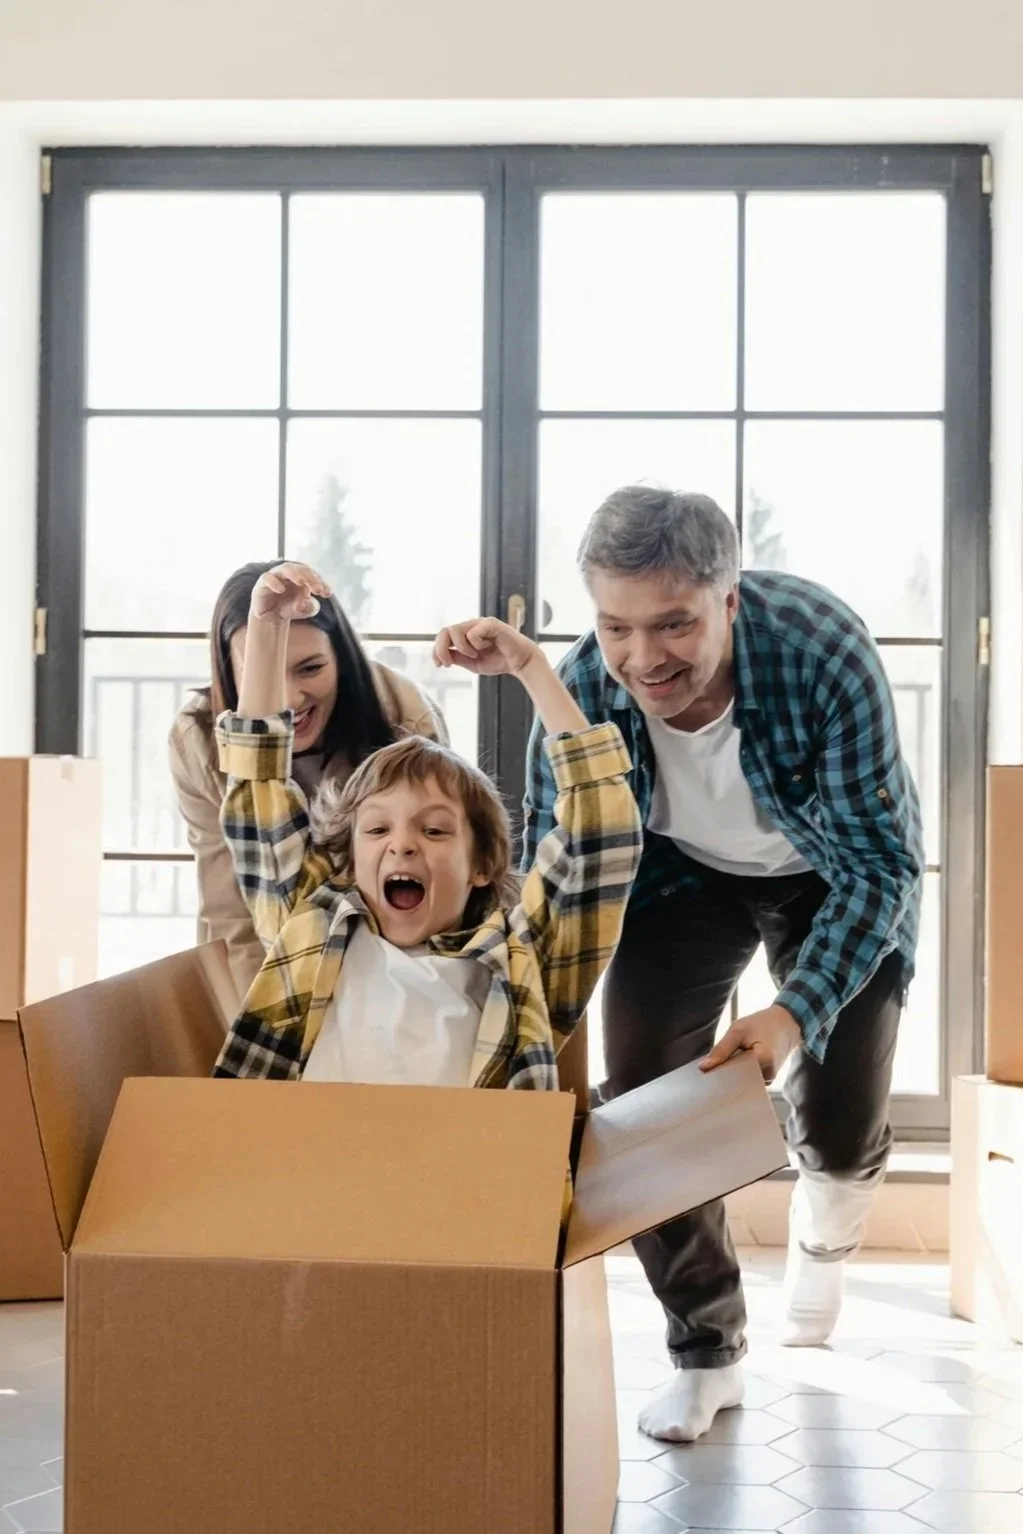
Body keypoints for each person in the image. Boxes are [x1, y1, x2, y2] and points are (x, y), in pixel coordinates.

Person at [523, 487, 923, 1442]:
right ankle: (706, 1352)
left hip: (826, 870)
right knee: (646, 1097)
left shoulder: (822, 652)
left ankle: (826, 1227)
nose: (642, 657)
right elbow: (554, 860)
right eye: (615, 626)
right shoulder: (582, 687)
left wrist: (791, 1014)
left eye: (673, 624)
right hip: (676, 878)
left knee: (837, 1115)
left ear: (728, 601)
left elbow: (881, 865)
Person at [212, 561, 642, 1091]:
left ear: (482, 865)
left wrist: (531, 666)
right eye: (376, 832)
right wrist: (267, 626)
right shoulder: (310, 928)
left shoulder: (520, 959)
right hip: (316, 1167)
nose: (402, 846)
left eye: (434, 831)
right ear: (348, 858)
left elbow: (601, 838)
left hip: (463, 1171)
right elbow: (257, 797)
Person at [169, 559, 447, 1000]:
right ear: (228, 668)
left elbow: (437, 887)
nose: (289, 698)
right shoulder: (197, 739)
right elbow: (230, 916)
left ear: (343, 659)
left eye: (310, 669)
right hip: (273, 954)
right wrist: (258, 1036)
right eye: (260, 670)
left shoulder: (403, 713)